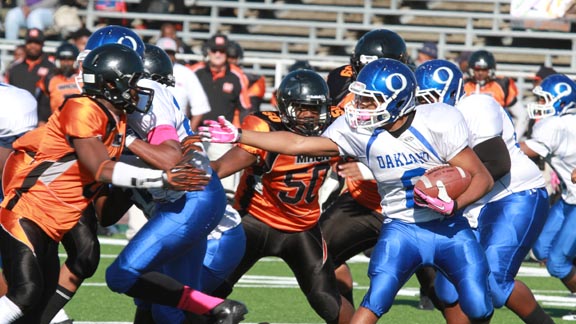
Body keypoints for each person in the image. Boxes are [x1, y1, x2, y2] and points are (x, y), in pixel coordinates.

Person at [200, 58, 496, 324]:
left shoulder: (438, 121)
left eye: (369, 100)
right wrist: (239, 134)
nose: (359, 106)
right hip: (398, 227)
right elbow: (297, 144)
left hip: (442, 226)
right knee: (376, 298)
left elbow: (481, 176)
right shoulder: (354, 130)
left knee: (479, 306)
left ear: (395, 101)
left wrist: (454, 205)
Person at [0, 43, 205, 323]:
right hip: (29, 212)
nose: (138, 89)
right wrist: (162, 177)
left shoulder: (117, 118)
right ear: (110, 84)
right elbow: (101, 168)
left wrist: (187, 145)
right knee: (26, 292)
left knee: (39, 305)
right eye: (132, 82)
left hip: (58, 218)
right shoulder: (81, 108)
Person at [103, 43, 246, 324]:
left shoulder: (151, 103)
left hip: (213, 230)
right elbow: (108, 212)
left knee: (161, 301)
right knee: (154, 299)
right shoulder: (136, 120)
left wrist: (124, 142)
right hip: (186, 213)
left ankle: (221, 311)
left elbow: (168, 157)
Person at [207, 69, 353, 324]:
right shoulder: (264, 126)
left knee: (328, 300)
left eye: (315, 108)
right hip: (255, 221)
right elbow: (222, 167)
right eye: (302, 108)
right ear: (285, 108)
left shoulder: (336, 122)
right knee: (209, 291)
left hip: (302, 227)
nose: (310, 116)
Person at [415, 59, 553, 324]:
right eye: (419, 99)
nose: (425, 105)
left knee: (494, 283)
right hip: (474, 202)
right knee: (448, 287)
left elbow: (497, 164)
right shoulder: (423, 122)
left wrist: (453, 201)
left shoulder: (475, 105)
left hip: (513, 195)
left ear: (452, 92)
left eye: (430, 97)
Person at [321, 28, 440, 312]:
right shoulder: (343, 80)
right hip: (363, 200)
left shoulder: (417, 92)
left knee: (446, 290)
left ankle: (430, 283)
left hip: (413, 202)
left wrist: (365, 169)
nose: (364, 77)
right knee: (319, 256)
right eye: (361, 68)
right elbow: (326, 136)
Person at [520, 73, 576, 321]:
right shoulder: (564, 123)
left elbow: (524, 152)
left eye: (545, 100)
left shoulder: (555, 124)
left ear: (561, 103)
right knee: (542, 247)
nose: (540, 105)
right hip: (569, 196)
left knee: (558, 263)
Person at [189, 33, 252, 197]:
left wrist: (242, 137)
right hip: (194, 134)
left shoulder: (237, 75)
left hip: (221, 137)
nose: (218, 54)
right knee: (191, 182)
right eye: (214, 50)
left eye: (222, 51)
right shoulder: (195, 71)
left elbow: (245, 108)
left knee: (226, 188)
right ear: (207, 52)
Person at [464, 49, 529, 140]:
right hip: (467, 136)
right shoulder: (464, 85)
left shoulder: (502, 85)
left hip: (495, 135)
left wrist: (513, 140)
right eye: (477, 69)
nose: (480, 73)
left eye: (484, 69)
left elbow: (522, 115)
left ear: (491, 69)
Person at [156, 37, 211, 132]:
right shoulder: (146, 71)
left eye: (171, 53)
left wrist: (187, 135)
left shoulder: (186, 73)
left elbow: (200, 108)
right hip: (148, 129)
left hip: (178, 131)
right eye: (164, 53)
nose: (168, 56)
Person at [5, 28, 56, 125]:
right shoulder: (15, 69)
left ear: (42, 44)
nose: (33, 46)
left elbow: (54, 98)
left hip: (42, 122)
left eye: (37, 43)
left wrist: (44, 119)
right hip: (16, 121)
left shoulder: (51, 68)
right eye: (30, 42)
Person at [38, 42, 80, 114]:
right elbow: (43, 104)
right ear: (57, 61)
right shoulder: (49, 79)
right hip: (57, 122)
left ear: (75, 61)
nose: (66, 63)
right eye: (63, 59)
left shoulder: (83, 78)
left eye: (70, 59)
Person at [226, 40, 267, 115]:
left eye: (233, 57)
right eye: (228, 57)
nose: (230, 60)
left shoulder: (252, 81)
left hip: (236, 121)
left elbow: (250, 110)